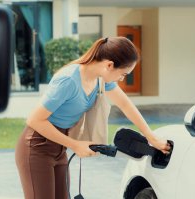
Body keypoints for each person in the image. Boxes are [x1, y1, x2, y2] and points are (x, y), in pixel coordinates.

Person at [15, 37, 171, 199]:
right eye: (123, 74)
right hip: (36, 146)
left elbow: (125, 105)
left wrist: (151, 137)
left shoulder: (99, 80)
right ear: (109, 65)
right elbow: (34, 120)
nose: (121, 79)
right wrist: (75, 144)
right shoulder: (69, 80)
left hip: (59, 148)